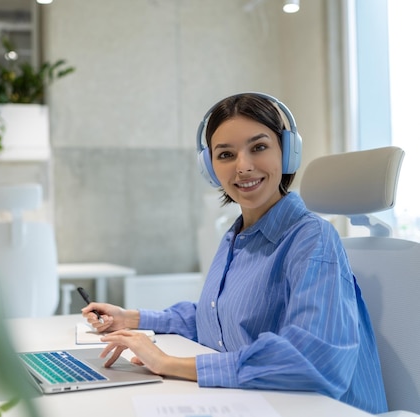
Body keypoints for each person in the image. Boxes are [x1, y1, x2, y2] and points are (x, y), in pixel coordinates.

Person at [82, 92, 387, 414]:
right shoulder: (237, 235)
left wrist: (169, 363)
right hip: (260, 402)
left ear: (287, 152)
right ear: (210, 168)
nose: (243, 166)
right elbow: (217, 316)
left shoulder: (312, 238)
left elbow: (313, 360)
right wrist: (132, 318)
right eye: (226, 154)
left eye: (259, 147)